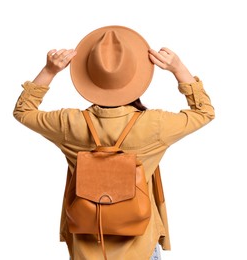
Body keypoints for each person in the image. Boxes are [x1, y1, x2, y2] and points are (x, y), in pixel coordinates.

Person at [13, 25, 215, 260]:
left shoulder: (69, 124)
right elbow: (204, 113)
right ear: (136, 76)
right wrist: (178, 69)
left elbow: (23, 111)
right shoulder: (155, 124)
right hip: (140, 247)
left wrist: (49, 71)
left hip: (86, 249)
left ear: (89, 76)